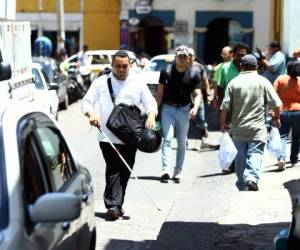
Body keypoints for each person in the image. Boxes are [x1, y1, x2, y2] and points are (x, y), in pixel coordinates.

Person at [82, 50, 157, 221]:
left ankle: (118, 204)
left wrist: (151, 115)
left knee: (126, 169)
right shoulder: (101, 82)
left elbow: (150, 102)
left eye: (125, 66)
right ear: (112, 66)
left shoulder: (137, 82)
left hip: (131, 135)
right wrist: (91, 114)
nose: (121, 69)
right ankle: (112, 206)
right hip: (107, 136)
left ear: (130, 65)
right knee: (113, 168)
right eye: (118, 66)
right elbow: (86, 102)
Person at [220, 54, 282, 191]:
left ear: (241, 66)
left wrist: (223, 123)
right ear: (257, 67)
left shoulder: (234, 83)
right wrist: (276, 118)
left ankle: (242, 182)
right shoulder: (263, 81)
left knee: (240, 156)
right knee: (256, 152)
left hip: (238, 127)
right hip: (257, 127)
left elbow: (224, 106)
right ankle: (252, 178)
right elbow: (276, 103)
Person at [155, 45, 201, 183]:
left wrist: (196, 107)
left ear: (188, 59)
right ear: (175, 58)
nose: (181, 59)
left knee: (181, 141)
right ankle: (166, 170)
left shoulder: (194, 74)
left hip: (184, 109)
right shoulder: (166, 72)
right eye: (179, 56)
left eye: (184, 57)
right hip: (168, 109)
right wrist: (153, 110)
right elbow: (159, 93)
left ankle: (178, 171)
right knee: (167, 139)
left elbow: (198, 94)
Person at [273, 60, 300, 170]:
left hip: (282, 111)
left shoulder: (280, 79)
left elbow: (272, 94)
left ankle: (281, 158)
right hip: (298, 112)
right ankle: (293, 159)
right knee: (297, 137)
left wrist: (273, 111)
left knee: (282, 136)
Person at [188, 47, 211, 138]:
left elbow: (206, 82)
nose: (189, 57)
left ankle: (203, 128)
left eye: (191, 55)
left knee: (201, 118)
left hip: (198, 96)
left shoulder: (199, 67)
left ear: (194, 56)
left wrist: (208, 95)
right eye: (188, 55)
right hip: (185, 97)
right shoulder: (182, 66)